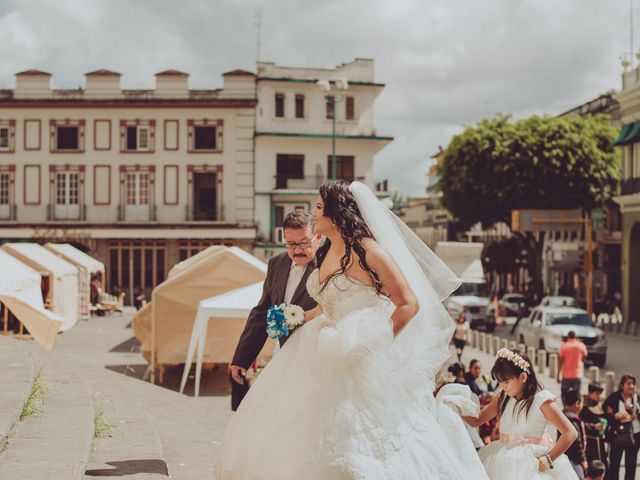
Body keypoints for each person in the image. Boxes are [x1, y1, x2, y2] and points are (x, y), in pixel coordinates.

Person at [215, 180, 489, 479]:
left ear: (337, 212)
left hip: (359, 355)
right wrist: (295, 317)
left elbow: (408, 303)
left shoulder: (372, 253)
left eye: (319, 207)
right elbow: (325, 305)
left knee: (359, 437)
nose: (314, 213)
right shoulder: (328, 249)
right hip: (317, 347)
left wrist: (376, 343)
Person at [228, 210, 320, 411]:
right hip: (285, 354)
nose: (297, 250)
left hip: (317, 359)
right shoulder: (276, 264)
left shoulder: (329, 265)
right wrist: (242, 358)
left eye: (304, 242)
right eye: (291, 244)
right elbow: (261, 312)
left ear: (317, 237)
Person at [462, 348, 579, 479]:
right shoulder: (503, 398)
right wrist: (455, 408)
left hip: (532, 463)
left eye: (506, 382)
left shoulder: (541, 401)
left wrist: (549, 458)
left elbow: (570, 433)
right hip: (502, 461)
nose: (503, 386)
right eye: (500, 382)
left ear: (523, 377)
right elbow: (477, 419)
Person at [603, 374, 640, 480]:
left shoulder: (637, 398)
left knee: (631, 465)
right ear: (622, 385)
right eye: (628, 383)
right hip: (617, 435)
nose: (631, 386)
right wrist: (614, 416)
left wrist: (636, 416)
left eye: (633, 384)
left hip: (635, 436)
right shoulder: (615, 397)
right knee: (614, 464)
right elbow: (604, 410)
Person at [580, 382, 608, 469]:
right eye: (596, 394)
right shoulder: (583, 407)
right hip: (589, 443)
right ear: (590, 393)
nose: (599, 396)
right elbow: (579, 424)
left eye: (600, 394)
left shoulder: (602, 406)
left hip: (601, 442)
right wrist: (593, 426)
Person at [563, 388, 589, 479]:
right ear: (577, 403)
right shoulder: (572, 420)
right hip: (573, 458)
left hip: (566, 455)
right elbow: (577, 442)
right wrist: (583, 459)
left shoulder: (564, 416)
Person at [558, 331, 588, 404]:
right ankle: (575, 408)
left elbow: (560, 361)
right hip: (577, 374)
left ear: (568, 337)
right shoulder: (581, 345)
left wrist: (558, 374)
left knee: (564, 393)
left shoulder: (564, 346)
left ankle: (566, 407)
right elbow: (585, 355)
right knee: (577, 394)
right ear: (575, 337)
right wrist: (581, 362)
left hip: (566, 375)